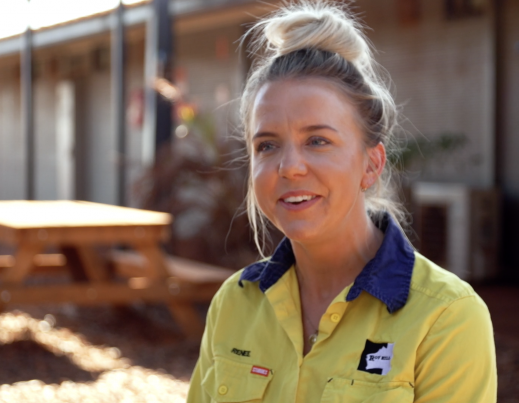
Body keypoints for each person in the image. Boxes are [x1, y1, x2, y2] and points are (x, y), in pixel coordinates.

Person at [186, 1, 497, 402]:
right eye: (267, 145)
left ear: (371, 164)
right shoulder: (234, 303)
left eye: (318, 141)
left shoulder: (446, 318)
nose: (289, 167)